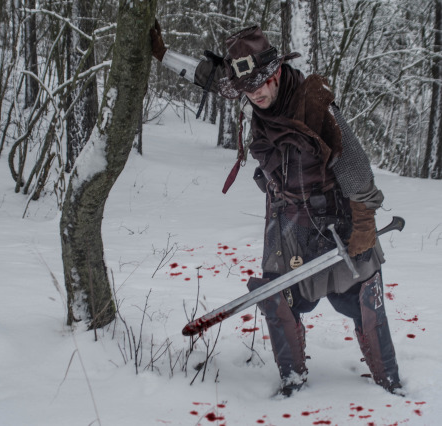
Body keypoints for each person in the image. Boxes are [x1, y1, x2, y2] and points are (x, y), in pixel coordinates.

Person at [150, 23, 402, 397]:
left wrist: (363, 223)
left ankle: (390, 384)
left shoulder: (315, 105)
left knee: (366, 296)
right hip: (287, 221)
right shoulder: (247, 89)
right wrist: (163, 55)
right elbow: (207, 77)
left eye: (261, 83)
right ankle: (292, 379)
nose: (255, 94)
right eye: (247, 89)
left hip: (337, 222)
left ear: (277, 72)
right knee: (276, 294)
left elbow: (357, 169)